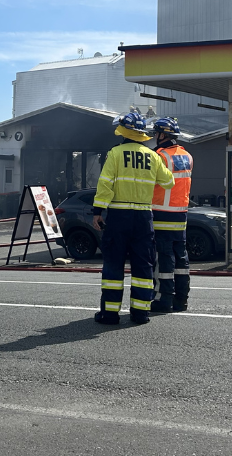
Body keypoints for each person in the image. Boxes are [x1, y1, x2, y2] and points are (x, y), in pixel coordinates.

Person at [92, 112, 175, 325]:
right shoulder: (154, 156)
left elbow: (105, 184)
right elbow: (169, 182)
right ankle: (140, 313)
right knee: (143, 266)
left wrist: (97, 211)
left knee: (113, 264)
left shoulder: (116, 153)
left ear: (123, 131)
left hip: (119, 216)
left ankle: (110, 314)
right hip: (144, 218)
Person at [150, 117, 193, 313]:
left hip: (161, 213)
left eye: (156, 133)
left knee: (163, 258)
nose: (154, 137)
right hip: (181, 215)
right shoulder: (187, 155)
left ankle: (163, 299)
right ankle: (181, 300)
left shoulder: (159, 156)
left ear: (162, 135)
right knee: (181, 258)